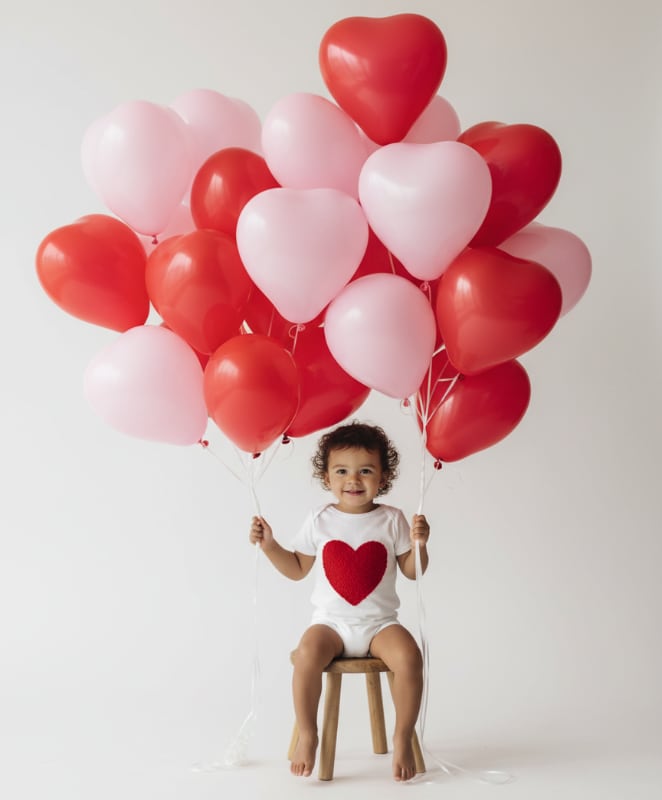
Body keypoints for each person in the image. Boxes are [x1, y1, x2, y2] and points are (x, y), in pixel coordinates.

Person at [249, 421, 430, 781]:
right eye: (342, 471)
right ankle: (308, 732)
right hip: (331, 625)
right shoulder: (320, 519)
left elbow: (413, 571)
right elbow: (298, 568)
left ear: (383, 476)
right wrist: (270, 546)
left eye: (366, 471)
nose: (354, 480)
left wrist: (421, 544)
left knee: (410, 657)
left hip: (380, 625)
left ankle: (403, 735)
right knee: (306, 655)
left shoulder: (392, 519)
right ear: (327, 478)